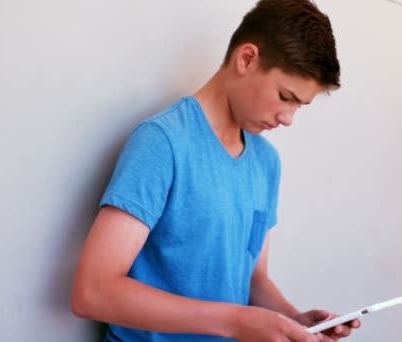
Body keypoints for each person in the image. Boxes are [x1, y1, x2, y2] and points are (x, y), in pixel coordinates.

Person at [71, 0, 360, 340]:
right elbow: (93, 292)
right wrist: (236, 321)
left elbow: (253, 279)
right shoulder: (163, 143)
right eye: (285, 96)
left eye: (299, 106)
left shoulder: (266, 163)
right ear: (246, 59)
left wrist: (291, 320)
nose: (288, 118)